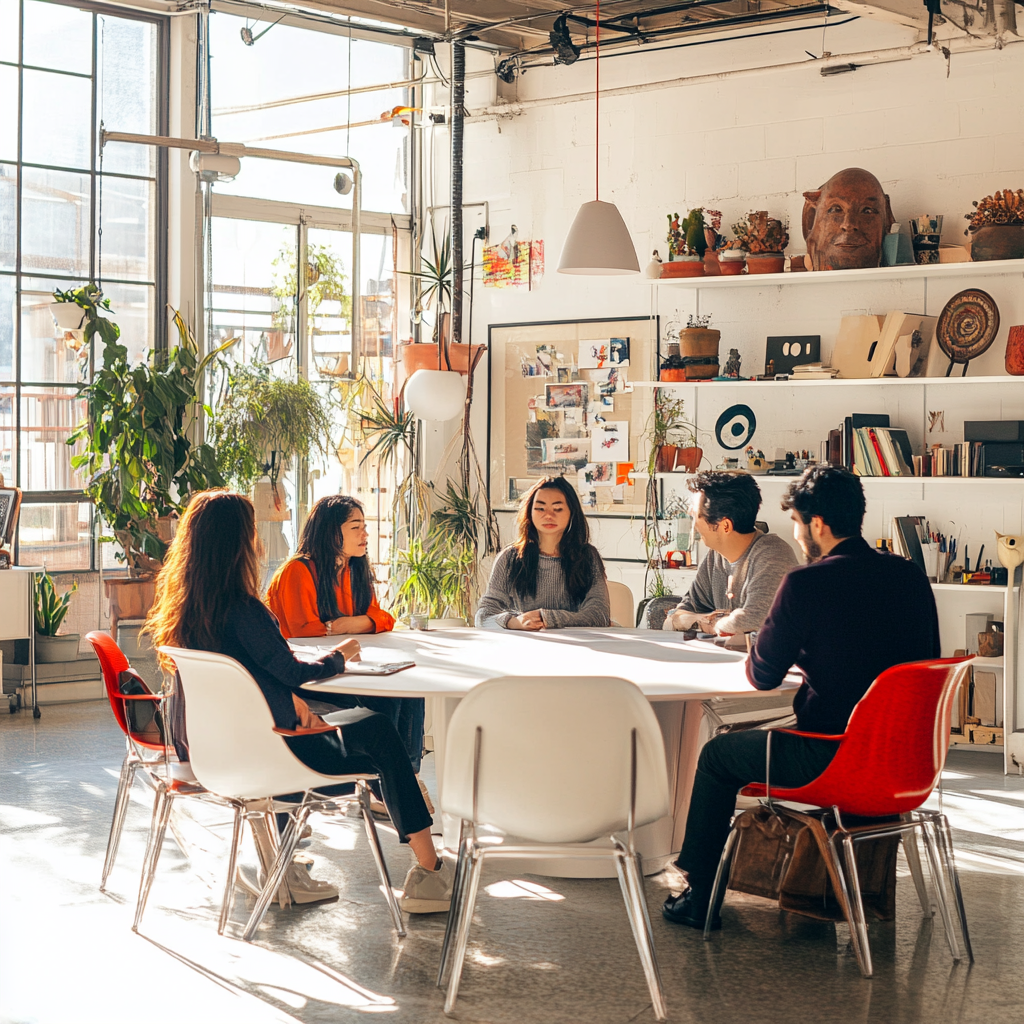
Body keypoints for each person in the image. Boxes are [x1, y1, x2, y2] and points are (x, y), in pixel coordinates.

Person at [145, 490, 453, 914]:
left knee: (362, 722)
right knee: (378, 729)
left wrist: (284, 698)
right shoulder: (246, 610)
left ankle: (282, 860)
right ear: (238, 543)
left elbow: (252, 674)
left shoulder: (187, 613)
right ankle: (430, 868)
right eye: (252, 531)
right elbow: (291, 670)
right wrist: (339, 656)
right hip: (272, 758)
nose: (258, 541)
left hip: (210, 753)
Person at [662, 466, 939, 929]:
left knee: (717, 755)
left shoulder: (808, 584)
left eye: (795, 523)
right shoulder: (909, 576)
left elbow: (764, 675)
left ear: (817, 525)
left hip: (829, 755)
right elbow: (923, 659)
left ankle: (698, 895)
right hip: (906, 758)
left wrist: (757, 632)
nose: (795, 535)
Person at [266, 496, 426, 782]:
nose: (366, 535)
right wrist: (354, 626)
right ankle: (385, 780)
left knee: (411, 690)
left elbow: (383, 618)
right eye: (356, 527)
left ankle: (405, 777)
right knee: (386, 699)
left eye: (364, 526)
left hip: (342, 669)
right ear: (331, 531)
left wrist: (352, 623)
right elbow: (302, 629)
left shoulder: (355, 570)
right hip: (307, 676)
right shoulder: (298, 570)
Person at [663, 471, 797, 641]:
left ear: (725, 526)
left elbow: (753, 620)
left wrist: (712, 623)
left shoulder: (773, 556)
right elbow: (673, 620)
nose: (694, 524)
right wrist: (700, 620)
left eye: (697, 516)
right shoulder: (715, 557)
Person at [475, 476, 610, 630]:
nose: (548, 515)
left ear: (572, 513)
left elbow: (599, 614)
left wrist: (546, 618)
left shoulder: (587, 557)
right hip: (521, 646)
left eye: (557, 509)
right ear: (530, 512)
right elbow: (483, 615)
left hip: (577, 645)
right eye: (540, 508)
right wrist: (513, 622)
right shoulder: (509, 558)